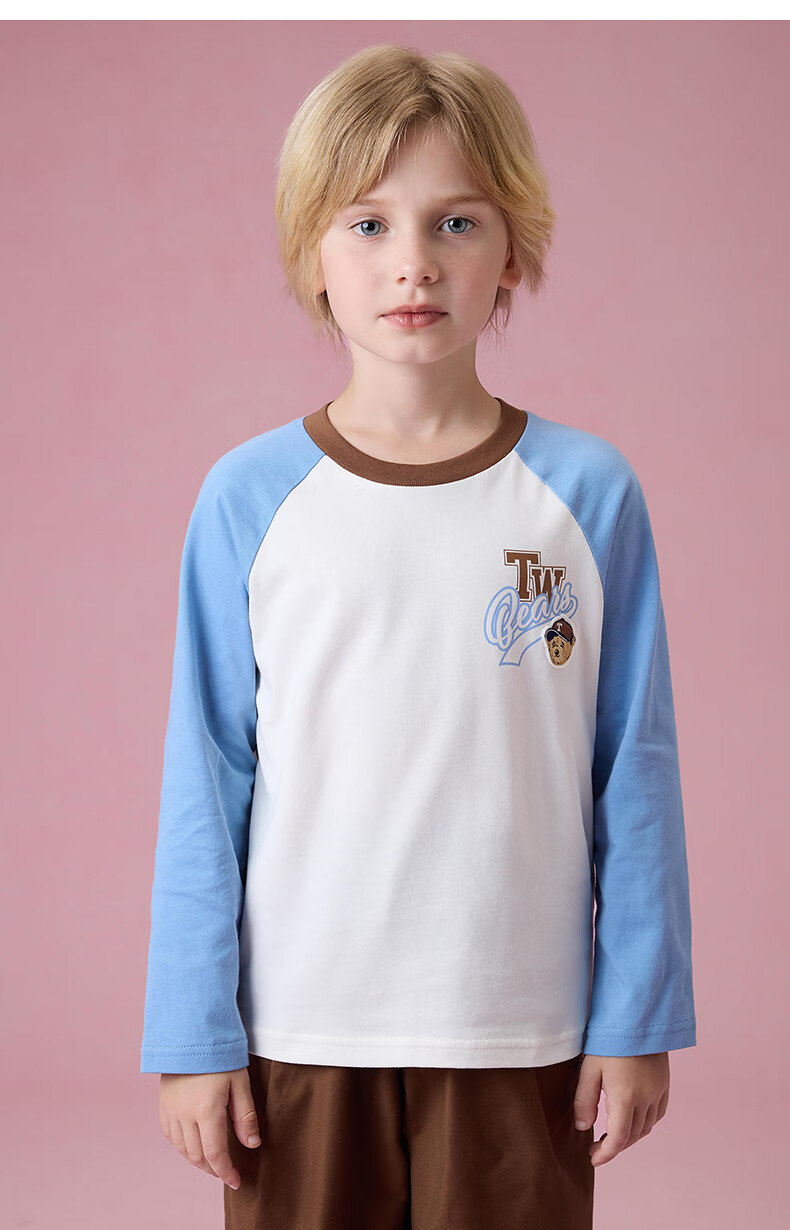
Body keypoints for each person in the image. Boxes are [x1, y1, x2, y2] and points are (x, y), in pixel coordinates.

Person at [140, 43, 697, 1230]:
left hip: (521, 1032)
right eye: (367, 224)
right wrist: (192, 1034)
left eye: (455, 221)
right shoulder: (248, 499)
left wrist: (637, 1019)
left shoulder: (587, 495)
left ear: (512, 250)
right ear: (311, 253)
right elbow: (207, 776)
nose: (413, 263)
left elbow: (633, 771)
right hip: (298, 1035)